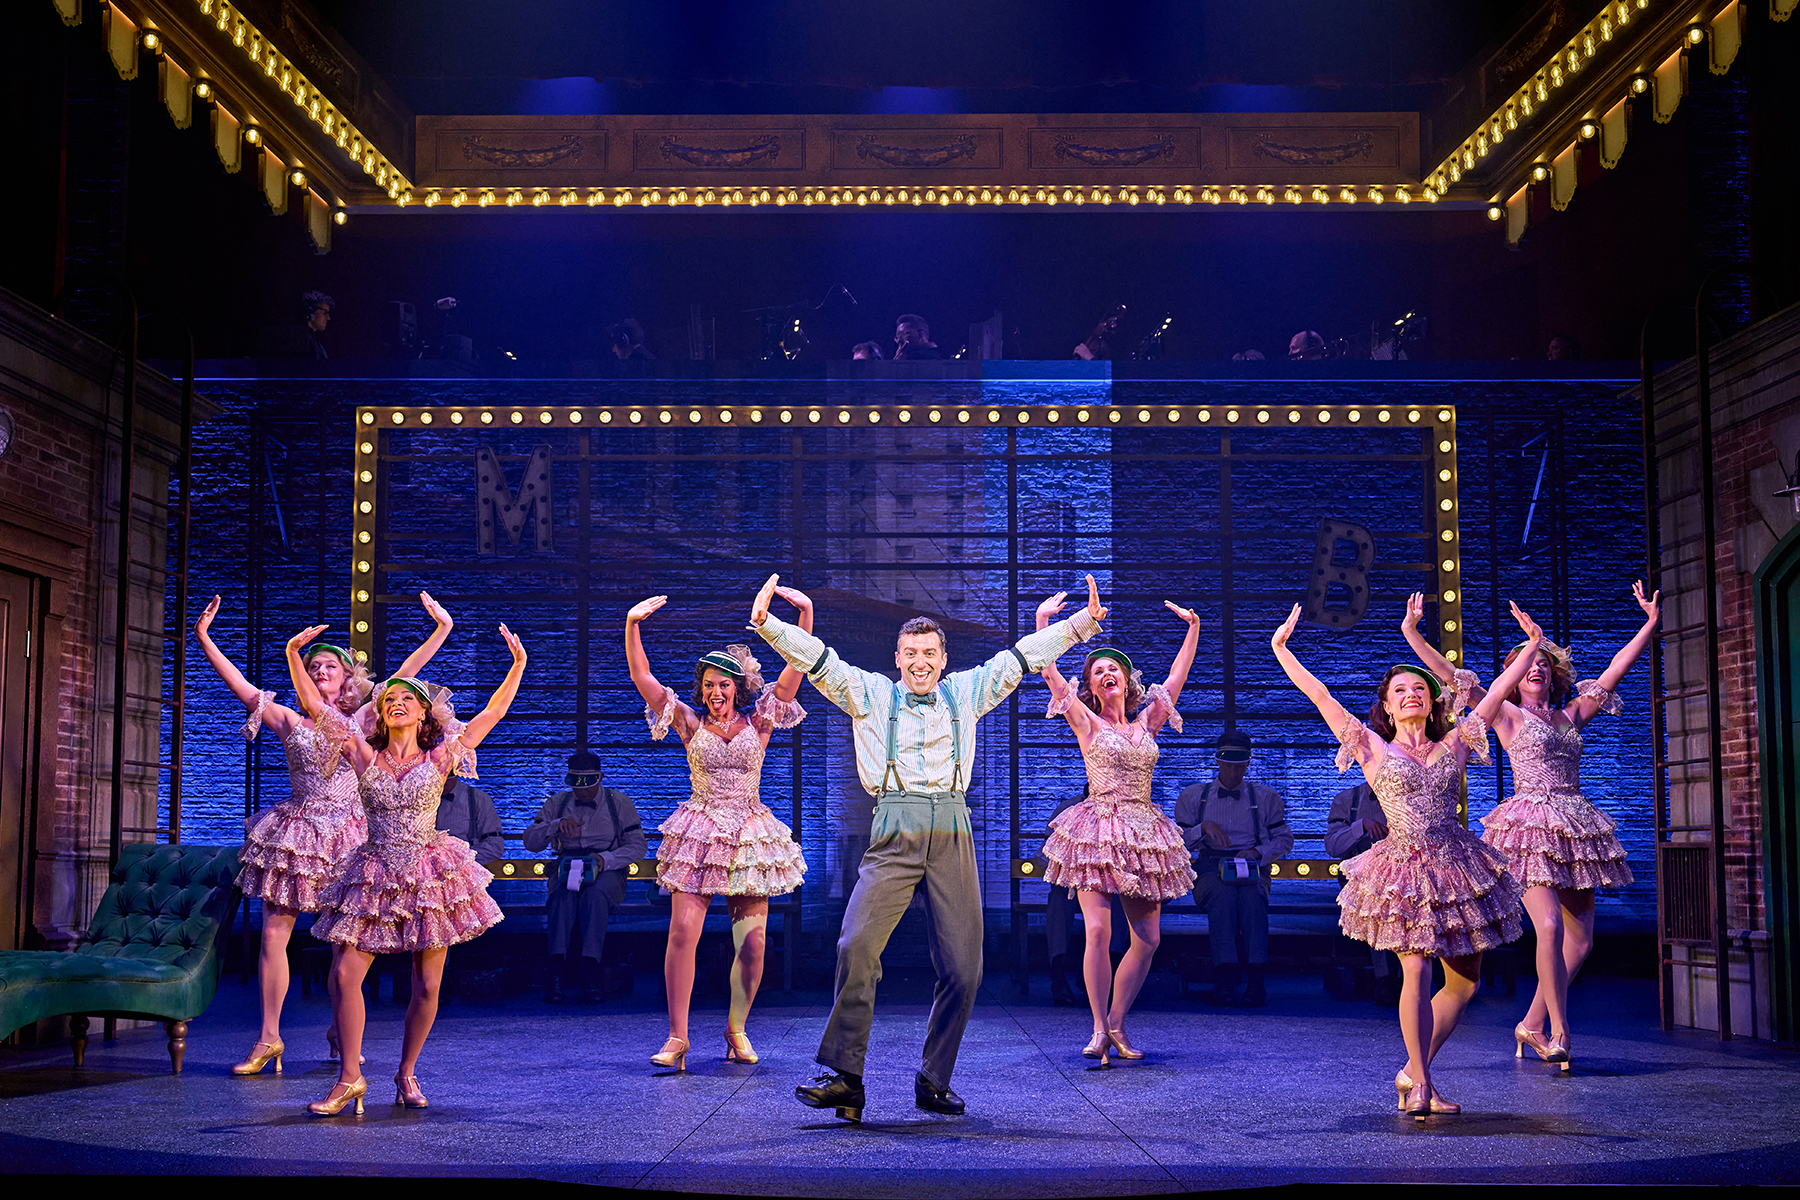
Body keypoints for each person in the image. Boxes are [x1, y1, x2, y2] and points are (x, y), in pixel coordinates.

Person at [751, 571, 1104, 1120]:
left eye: (930, 653)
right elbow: (820, 658)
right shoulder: (869, 694)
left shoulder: (966, 692)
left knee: (965, 968)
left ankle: (934, 1079)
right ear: (897, 657)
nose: (920, 662)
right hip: (893, 825)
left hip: (952, 829)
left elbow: (1022, 656)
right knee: (855, 946)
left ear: (943, 659)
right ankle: (845, 1077)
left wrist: (1083, 623)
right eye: (911, 653)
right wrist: (766, 625)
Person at [1272, 599, 1542, 1118]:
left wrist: (1530, 646)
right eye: (1400, 690)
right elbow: (1321, 695)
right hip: (1403, 867)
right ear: (1388, 707)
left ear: (1434, 701)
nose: (1412, 693)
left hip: (1456, 864)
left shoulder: (1457, 741)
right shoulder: (1371, 746)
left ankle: (1412, 1068)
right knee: (1415, 970)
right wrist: (1282, 649)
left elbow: (1500, 693)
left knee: (1465, 980)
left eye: (1419, 687)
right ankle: (1421, 1084)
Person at [193, 591, 452, 1077]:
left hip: (353, 834)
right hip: (299, 831)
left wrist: (439, 631)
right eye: (312, 667)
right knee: (274, 930)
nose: (319, 670)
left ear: (349, 679)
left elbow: (406, 681)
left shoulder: (363, 720)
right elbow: (243, 688)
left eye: (329, 665)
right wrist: (204, 638)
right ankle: (269, 1037)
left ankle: (341, 1028)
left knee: (343, 943)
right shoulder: (291, 719)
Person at [1402, 583, 1658, 1068]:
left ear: (1555, 674)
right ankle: (1561, 1028)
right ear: (1516, 676)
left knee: (1580, 939)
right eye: (1528, 660)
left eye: (1544, 661)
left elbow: (1614, 673)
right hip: (1527, 824)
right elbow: (1450, 675)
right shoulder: (1508, 714)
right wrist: (1413, 634)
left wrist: (1649, 624)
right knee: (1547, 926)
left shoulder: (1569, 715)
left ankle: (1532, 1024)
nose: (1537, 666)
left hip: (1573, 822)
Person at [295, 623, 525, 1116]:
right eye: (388, 698)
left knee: (427, 984)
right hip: (374, 868)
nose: (395, 702)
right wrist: (295, 653)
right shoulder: (363, 755)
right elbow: (318, 712)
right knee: (345, 972)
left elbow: (492, 713)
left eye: (406, 698)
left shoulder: (440, 756)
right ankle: (350, 1076)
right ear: (380, 712)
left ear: (423, 713)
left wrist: (518, 665)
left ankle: (405, 1072)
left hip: (426, 871)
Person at [626, 587, 812, 1070]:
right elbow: (643, 678)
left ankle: (736, 1029)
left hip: (750, 832)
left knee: (753, 943)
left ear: (738, 687)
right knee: (682, 933)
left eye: (724, 684)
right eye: (708, 684)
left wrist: (805, 614)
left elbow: (797, 669)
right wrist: (632, 624)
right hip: (701, 830)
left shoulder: (761, 720)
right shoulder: (689, 723)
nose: (716, 691)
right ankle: (678, 1038)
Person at [1037, 588, 1200, 1061]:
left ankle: (1117, 1023)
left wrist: (1192, 630)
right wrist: (1044, 622)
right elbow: (1047, 670)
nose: (1107, 673)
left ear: (1128, 680)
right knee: (1098, 932)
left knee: (1148, 938)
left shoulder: (1147, 723)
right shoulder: (1087, 722)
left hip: (1143, 832)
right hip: (1097, 828)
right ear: (1090, 684)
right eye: (1098, 670)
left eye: (1114, 668)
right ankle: (1096, 1030)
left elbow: (1176, 677)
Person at [1175, 730, 1294, 1008]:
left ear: (1247, 764)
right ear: (1218, 762)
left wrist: (1257, 852)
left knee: (1252, 900)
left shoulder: (1264, 798)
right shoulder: (1195, 796)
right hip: (1210, 865)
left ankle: (1255, 977)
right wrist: (1201, 829)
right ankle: (1225, 974)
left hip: (1251, 866)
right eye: (1227, 762)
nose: (1233, 769)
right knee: (1222, 896)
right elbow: (1175, 840)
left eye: (1239, 763)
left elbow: (1284, 839)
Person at [522, 751, 648, 1004]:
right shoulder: (557, 802)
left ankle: (592, 969)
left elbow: (637, 846)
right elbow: (530, 842)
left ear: (600, 778)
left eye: (587, 783)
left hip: (606, 866)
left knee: (595, 895)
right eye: (575, 783)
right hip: (567, 862)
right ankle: (557, 970)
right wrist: (555, 825)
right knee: (561, 897)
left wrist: (605, 860)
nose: (580, 791)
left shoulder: (618, 803)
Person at [1324, 781, 1400, 1002]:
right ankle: (1384, 978)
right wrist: (1360, 826)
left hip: (1401, 873)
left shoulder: (1410, 798)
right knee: (1376, 908)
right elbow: (1332, 847)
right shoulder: (1347, 799)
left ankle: (1403, 977)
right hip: (1362, 875)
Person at [436, 776, 506, 865]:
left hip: (464, 870)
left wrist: (461, 862)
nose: (443, 779)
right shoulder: (417, 798)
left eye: (448, 775)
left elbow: (494, 845)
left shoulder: (478, 799)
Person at [303, 290, 333, 359]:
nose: (328, 318)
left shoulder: (317, 343)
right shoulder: (302, 342)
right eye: (325, 313)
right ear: (311, 311)